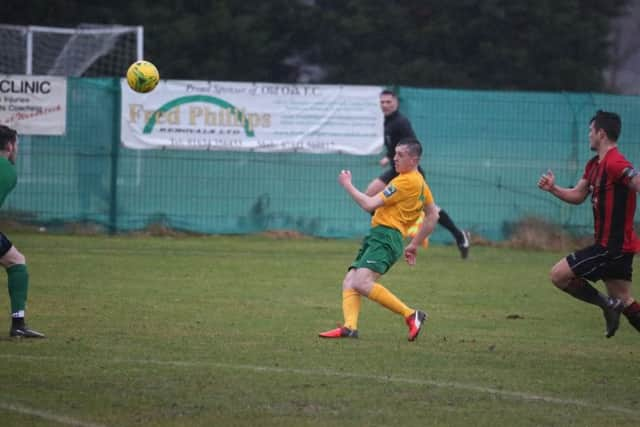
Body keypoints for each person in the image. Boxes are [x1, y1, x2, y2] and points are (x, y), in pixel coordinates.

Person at [319, 138, 439, 340]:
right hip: (380, 235)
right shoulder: (421, 184)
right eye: (395, 154)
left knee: (361, 282)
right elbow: (433, 215)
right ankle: (350, 327)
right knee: (350, 280)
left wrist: (348, 185)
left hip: (386, 236)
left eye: (401, 155)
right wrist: (414, 245)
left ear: (414, 159)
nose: (395, 158)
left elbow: (369, 204)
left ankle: (411, 314)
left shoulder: (404, 181)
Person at [537, 110, 640, 338]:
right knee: (625, 301)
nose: (588, 136)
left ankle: (606, 305)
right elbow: (577, 195)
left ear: (601, 134)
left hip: (610, 248)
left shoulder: (615, 163)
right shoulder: (595, 165)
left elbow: (635, 179)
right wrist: (553, 188)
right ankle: (610, 305)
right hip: (618, 248)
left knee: (558, 275)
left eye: (590, 131)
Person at [366, 89, 470, 258]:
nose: (384, 105)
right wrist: (388, 156)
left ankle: (458, 235)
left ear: (396, 103)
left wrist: (400, 159)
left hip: (409, 172)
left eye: (388, 102)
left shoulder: (401, 122)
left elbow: (412, 146)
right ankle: (387, 231)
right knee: (372, 194)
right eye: (382, 102)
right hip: (395, 169)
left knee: (429, 210)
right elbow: (396, 146)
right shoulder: (389, 122)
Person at [0, 125, 44, 338]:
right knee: (16, 262)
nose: (16, 149)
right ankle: (18, 324)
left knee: (15, 260)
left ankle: (19, 324)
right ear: (9, 145)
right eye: (16, 144)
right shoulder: (8, 171)